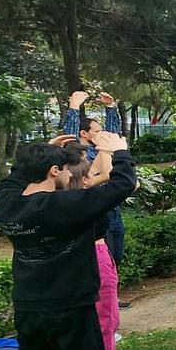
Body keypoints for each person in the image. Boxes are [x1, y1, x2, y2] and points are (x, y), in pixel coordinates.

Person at [0, 132, 136, 350]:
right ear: (55, 171)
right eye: (63, 169)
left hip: (28, 303)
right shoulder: (65, 205)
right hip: (71, 300)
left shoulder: (7, 204)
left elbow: (13, 181)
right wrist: (120, 153)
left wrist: (35, 159)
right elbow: (121, 186)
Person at [62, 146, 126, 350]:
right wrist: (111, 150)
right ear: (85, 179)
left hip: (68, 261)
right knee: (106, 318)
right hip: (96, 257)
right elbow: (119, 178)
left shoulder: (54, 199)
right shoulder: (92, 199)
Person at [64, 91, 127, 266]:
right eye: (97, 131)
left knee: (116, 258)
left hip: (112, 210)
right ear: (84, 133)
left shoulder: (100, 150)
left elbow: (112, 138)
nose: (102, 134)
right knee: (100, 260)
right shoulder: (78, 154)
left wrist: (110, 108)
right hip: (92, 210)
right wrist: (74, 107)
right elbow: (69, 140)